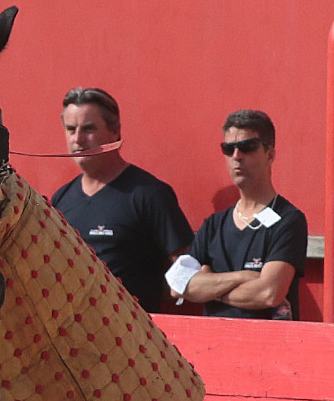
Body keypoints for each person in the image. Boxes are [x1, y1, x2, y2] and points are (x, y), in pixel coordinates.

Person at [50, 86, 193, 315]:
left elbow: (186, 267)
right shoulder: (61, 199)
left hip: (130, 337)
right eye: (70, 129)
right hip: (72, 335)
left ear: (114, 132)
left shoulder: (148, 194)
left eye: (88, 129)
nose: (77, 139)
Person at [172, 109, 309, 320]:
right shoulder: (213, 224)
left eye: (247, 147)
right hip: (213, 345)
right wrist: (243, 277)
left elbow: (268, 293)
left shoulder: (289, 220)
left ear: (270, 154)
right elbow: (178, 286)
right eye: (228, 148)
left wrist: (209, 287)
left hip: (269, 346)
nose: (236, 156)